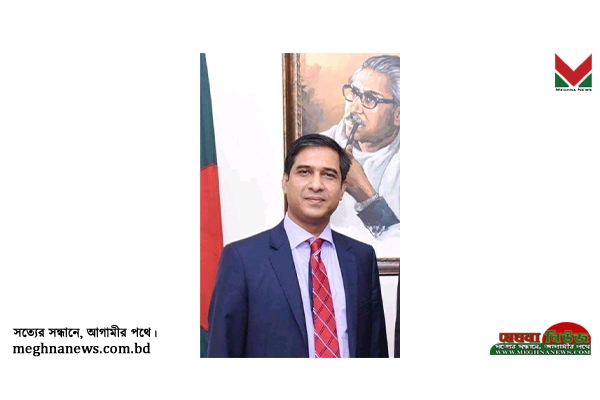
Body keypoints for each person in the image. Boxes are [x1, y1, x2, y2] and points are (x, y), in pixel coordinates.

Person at [206, 134, 388, 357]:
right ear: (285, 182)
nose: (316, 185)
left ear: (342, 189)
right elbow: (222, 351)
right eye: (304, 172)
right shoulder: (242, 259)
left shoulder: (361, 258)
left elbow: (375, 349)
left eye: (329, 175)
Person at [320, 55, 400, 253]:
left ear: (398, 115)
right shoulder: (317, 149)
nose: (354, 107)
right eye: (354, 93)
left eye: (370, 99)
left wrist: (364, 194)